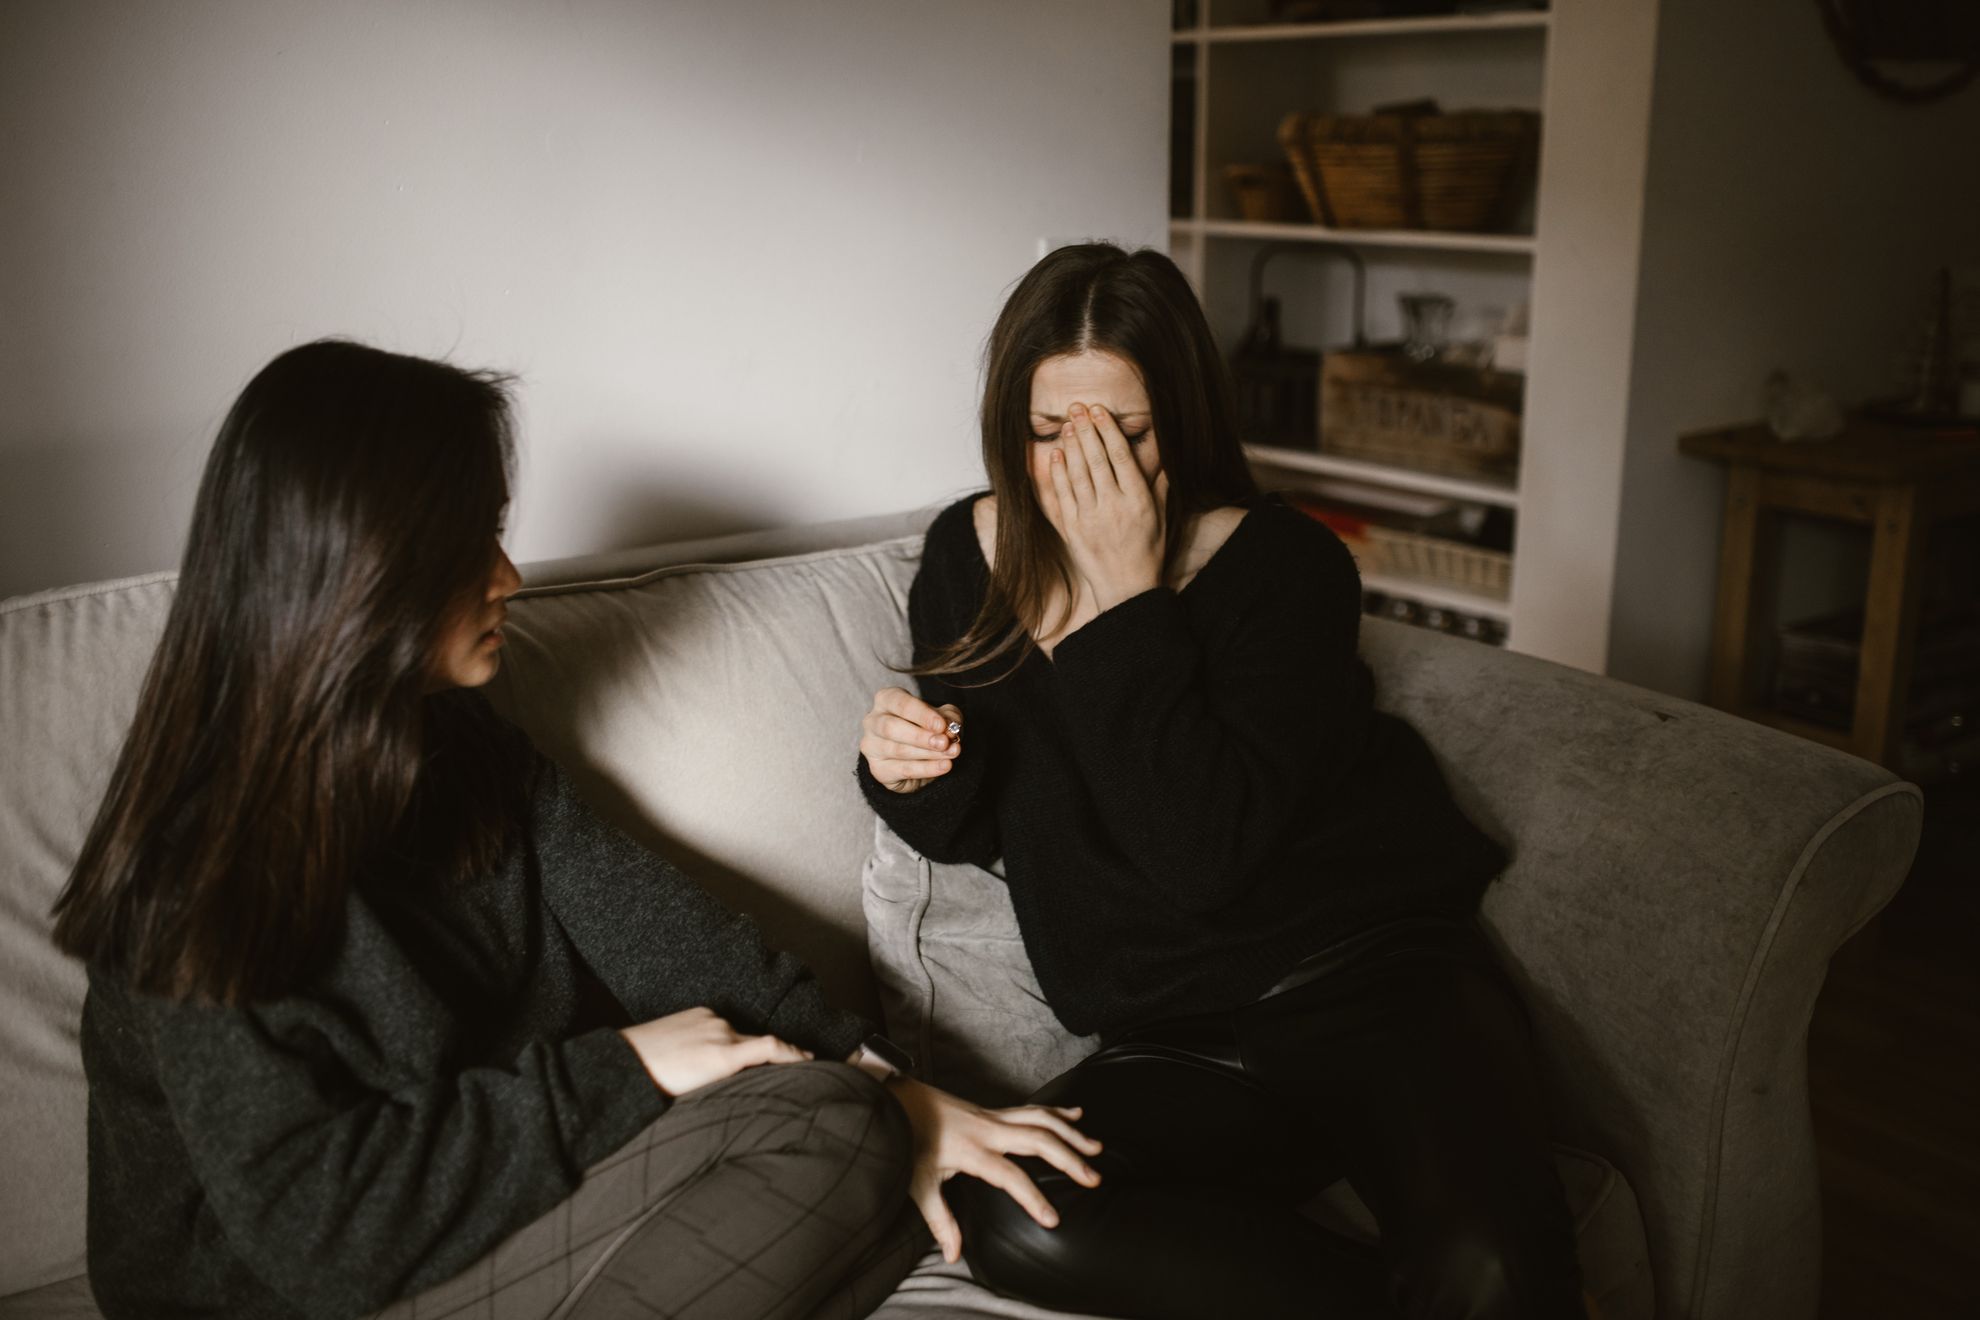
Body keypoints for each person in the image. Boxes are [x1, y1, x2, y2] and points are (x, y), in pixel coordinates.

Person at [50, 339, 1101, 1320]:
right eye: (472, 545)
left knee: (889, 1156)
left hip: (492, 1201)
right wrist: (629, 1071)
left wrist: (901, 1088)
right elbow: (322, 1230)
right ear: (362, 573)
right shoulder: (194, 870)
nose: (507, 577)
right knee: (836, 1138)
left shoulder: (460, 746)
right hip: (306, 1287)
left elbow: (673, 940)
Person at [855, 244, 1591, 1320]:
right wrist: (905, 768)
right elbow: (970, 826)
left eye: (1128, 433)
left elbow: (1204, 855)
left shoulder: (1288, 564)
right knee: (1010, 1207)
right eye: (1053, 432)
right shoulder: (969, 555)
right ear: (1011, 425)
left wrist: (1122, 600)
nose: (1086, 466)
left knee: (1491, 1268)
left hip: (1378, 981)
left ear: (1184, 421)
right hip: (1176, 1036)